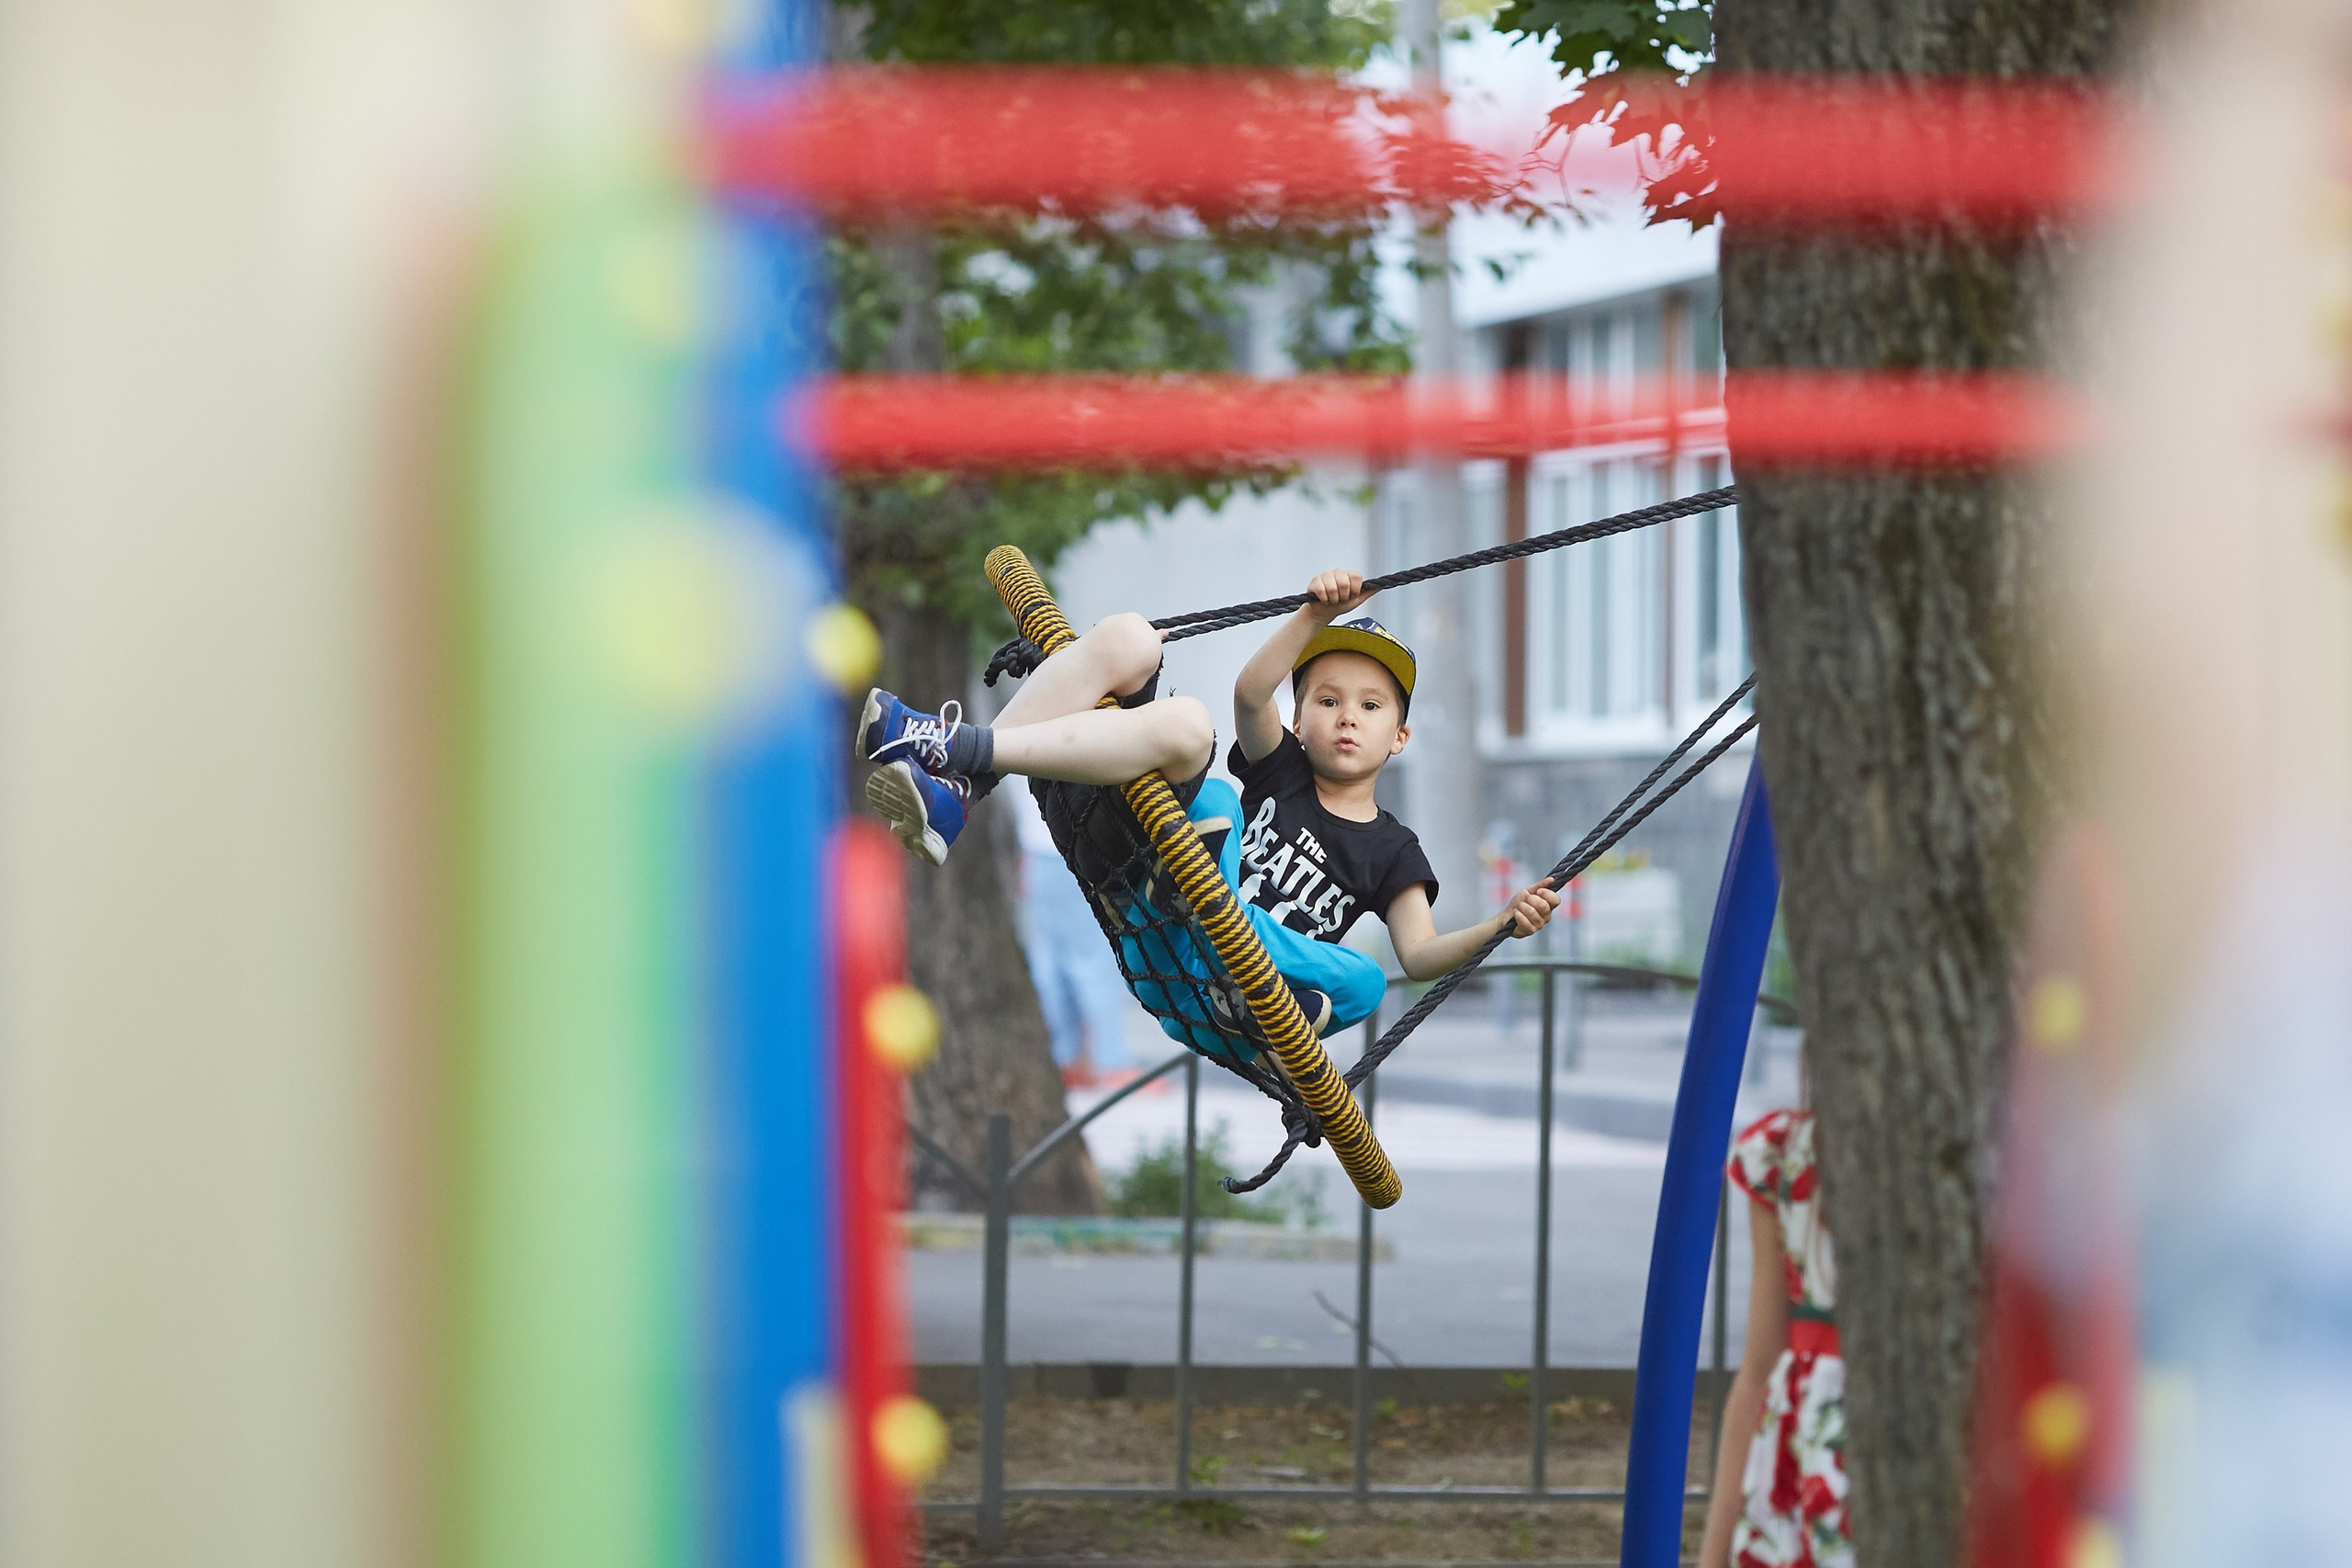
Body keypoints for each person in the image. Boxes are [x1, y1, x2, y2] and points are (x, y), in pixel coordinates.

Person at [853, 570, 1562, 1051]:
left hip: (1227, 995)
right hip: (1163, 924)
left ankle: (955, 755)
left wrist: (1501, 924)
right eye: (1327, 699)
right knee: (1137, 647)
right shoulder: (1282, 769)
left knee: (1369, 978)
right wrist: (1312, 615)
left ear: (1400, 736)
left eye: (1370, 706)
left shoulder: (1395, 851)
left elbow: (1421, 954)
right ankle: (957, 774)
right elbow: (1252, 694)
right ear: (1301, 716)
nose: (1347, 718)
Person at [1700, 1106, 1852, 1568]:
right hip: (1806, 1456)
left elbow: (1758, 1369)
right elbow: (1758, 1369)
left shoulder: (1787, 1150)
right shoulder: (1786, 1152)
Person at [1008, 785, 1136, 1085]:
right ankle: (1111, 1062)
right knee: (1093, 959)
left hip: (1036, 851)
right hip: (1076, 846)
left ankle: (1067, 1058)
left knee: (1050, 959)